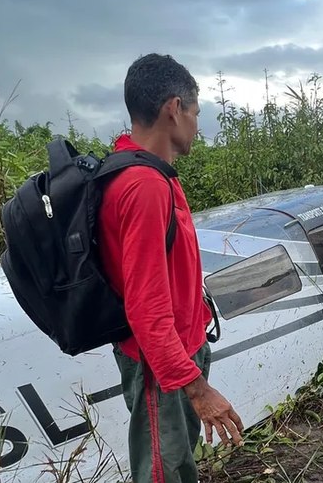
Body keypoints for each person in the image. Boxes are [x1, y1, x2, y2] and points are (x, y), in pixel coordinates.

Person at [98, 53, 244, 483]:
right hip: (160, 366)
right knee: (163, 471)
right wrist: (197, 388)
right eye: (196, 113)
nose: (197, 125)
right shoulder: (142, 187)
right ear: (173, 109)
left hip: (179, 353)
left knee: (180, 462)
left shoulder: (158, 176)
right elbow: (145, 309)